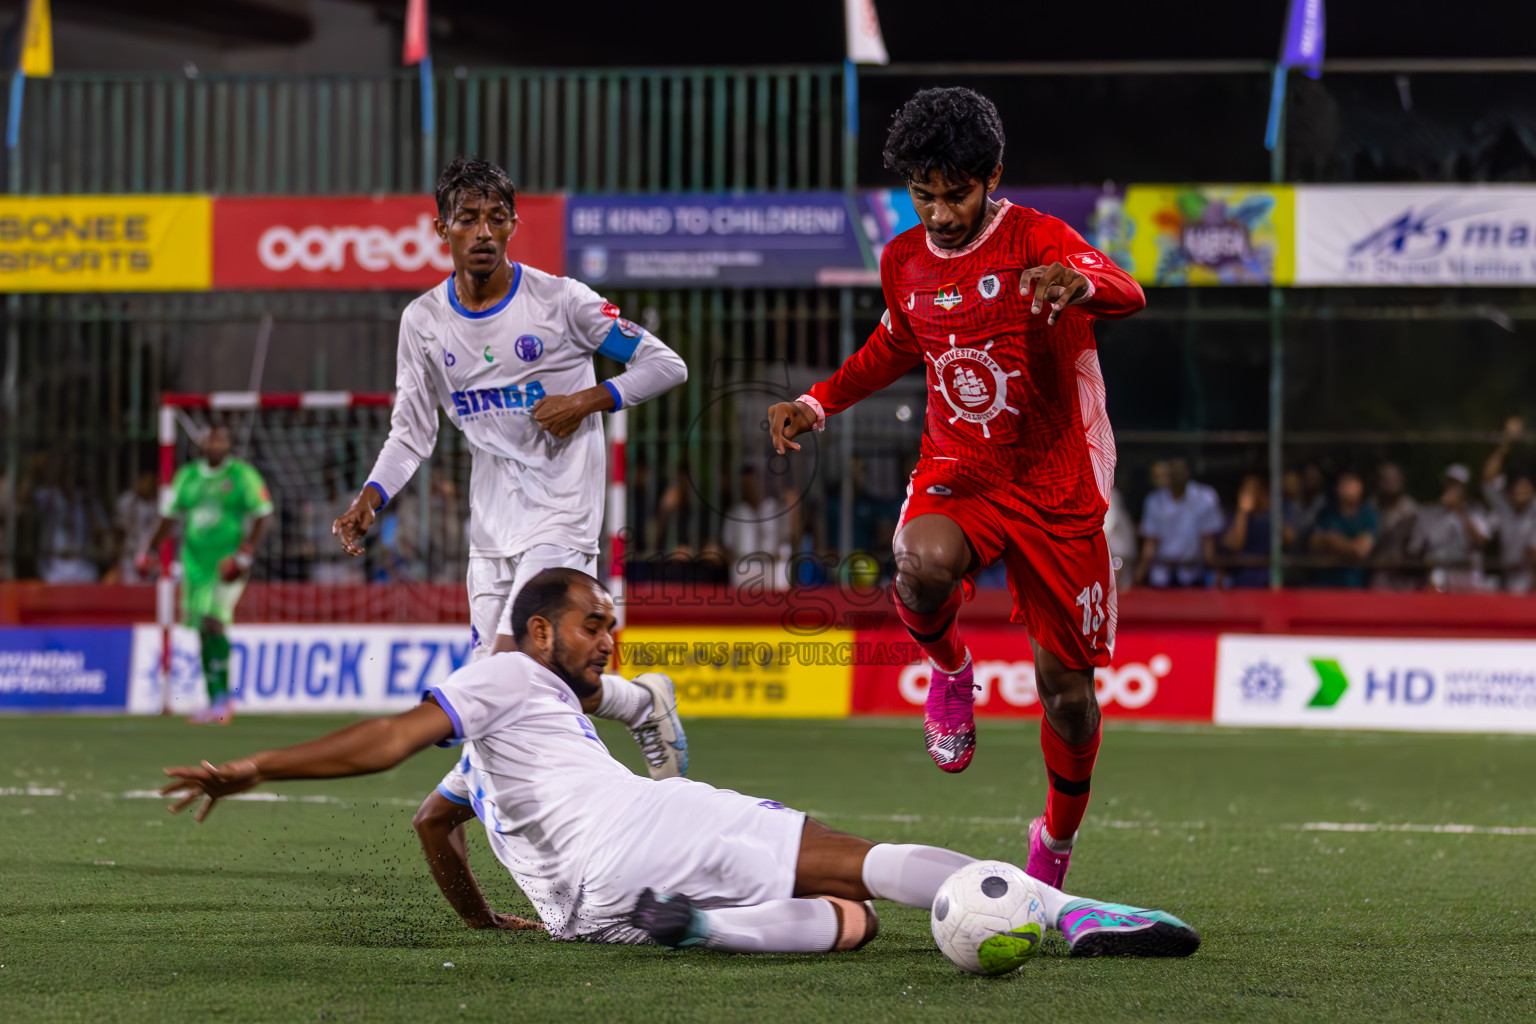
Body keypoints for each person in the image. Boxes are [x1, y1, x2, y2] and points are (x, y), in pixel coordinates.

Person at [160, 568, 1199, 960]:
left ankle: (705, 928)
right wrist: (252, 769)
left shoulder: (508, 745)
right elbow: (385, 741)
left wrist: (488, 922)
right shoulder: (503, 676)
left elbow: (433, 823)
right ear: (535, 632)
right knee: (858, 862)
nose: (608, 638)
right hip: (643, 825)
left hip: (590, 909)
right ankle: (1070, 912)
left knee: (854, 924)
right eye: (592, 624)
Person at [766, 87, 1146, 888]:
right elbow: (893, 343)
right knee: (920, 560)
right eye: (924, 194)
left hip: (1057, 479)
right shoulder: (902, 260)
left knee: (1068, 697)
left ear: (991, 178)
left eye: (956, 194)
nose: (939, 213)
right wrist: (815, 400)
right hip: (960, 467)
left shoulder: (1039, 240)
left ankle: (1056, 844)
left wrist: (1079, 288)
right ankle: (950, 671)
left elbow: (1124, 288)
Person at [329, 157, 689, 778]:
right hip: (492, 522)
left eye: (497, 218)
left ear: (515, 224)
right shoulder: (423, 322)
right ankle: (639, 704)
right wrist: (372, 496)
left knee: (506, 664)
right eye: (467, 219)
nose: (484, 232)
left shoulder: (561, 301)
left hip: (562, 508)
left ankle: (493, 793)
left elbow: (666, 365)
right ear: (441, 229)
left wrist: (587, 399)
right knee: (520, 675)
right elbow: (411, 433)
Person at [136, 425, 273, 724]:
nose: (215, 444)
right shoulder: (187, 477)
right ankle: (214, 701)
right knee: (201, 628)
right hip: (195, 563)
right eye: (210, 439)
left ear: (229, 444)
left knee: (214, 620)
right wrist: (150, 550)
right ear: (199, 443)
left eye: (222, 438)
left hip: (228, 564)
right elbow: (169, 517)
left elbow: (264, 513)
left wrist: (245, 553)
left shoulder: (241, 475)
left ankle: (224, 700)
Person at [1136, 458, 1224, 588]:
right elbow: (1149, 547)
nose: (1177, 474)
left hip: (1193, 575)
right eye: (1173, 470)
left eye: (1180, 470)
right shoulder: (1154, 501)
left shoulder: (1205, 497)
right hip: (1161, 576)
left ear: (1188, 472)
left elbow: (1208, 547)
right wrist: (1138, 577)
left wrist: (1219, 573)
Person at [1411, 464, 1489, 593]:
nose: (1453, 488)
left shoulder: (1476, 511)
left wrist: (1460, 510)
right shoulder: (1430, 512)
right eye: (1450, 483)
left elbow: (1479, 543)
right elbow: (1417, 548)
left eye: (1457, 485)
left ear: (1466, 488)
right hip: (1438, 578)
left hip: (1468, 577)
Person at [1482, 417, 1536, 593]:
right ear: (1509, 491)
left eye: (1526, 489)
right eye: (1517, 490)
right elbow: (1488, 478)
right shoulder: (1503, 504)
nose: (1521, 493)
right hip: (1507, 576)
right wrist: (1507, 440)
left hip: (1531, 577)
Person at [1308, 470, 1379, 588]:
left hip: (1354, 584)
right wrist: (1347, 546)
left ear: (1361, 488)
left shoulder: (1369, 515)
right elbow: (1313, 544)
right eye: (1344, 484)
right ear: (1337, 489)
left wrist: (1331, 541)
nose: (1347, 488)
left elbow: (1360, 550)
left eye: (1351, 484)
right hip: (1325, 583)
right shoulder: (1326, 513)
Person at [1220, 473, 1282, 588]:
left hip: (1267, 581)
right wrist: (1242, 511)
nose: (1252, 494)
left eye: (1255, 490)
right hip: (1241, 580)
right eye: (1248, 489)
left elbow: (1289, 538)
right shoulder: (1235, 517)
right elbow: (1234, 544)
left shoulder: (1271, 517)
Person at [1370, 462, 1420, 591]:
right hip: (1378, 574)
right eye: (1385, 479)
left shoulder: (1411, 509)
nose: (1389, 483)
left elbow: (1417, 545)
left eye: (1393, 479)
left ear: (1401, 481)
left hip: (1404, 575)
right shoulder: (1370, 507)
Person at [112, 470, 162, 584]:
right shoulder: (127, 501)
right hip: (130, 556)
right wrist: (117, 562)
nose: (147, 484)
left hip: (153, 557)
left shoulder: (160, 502)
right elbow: (119, 533)